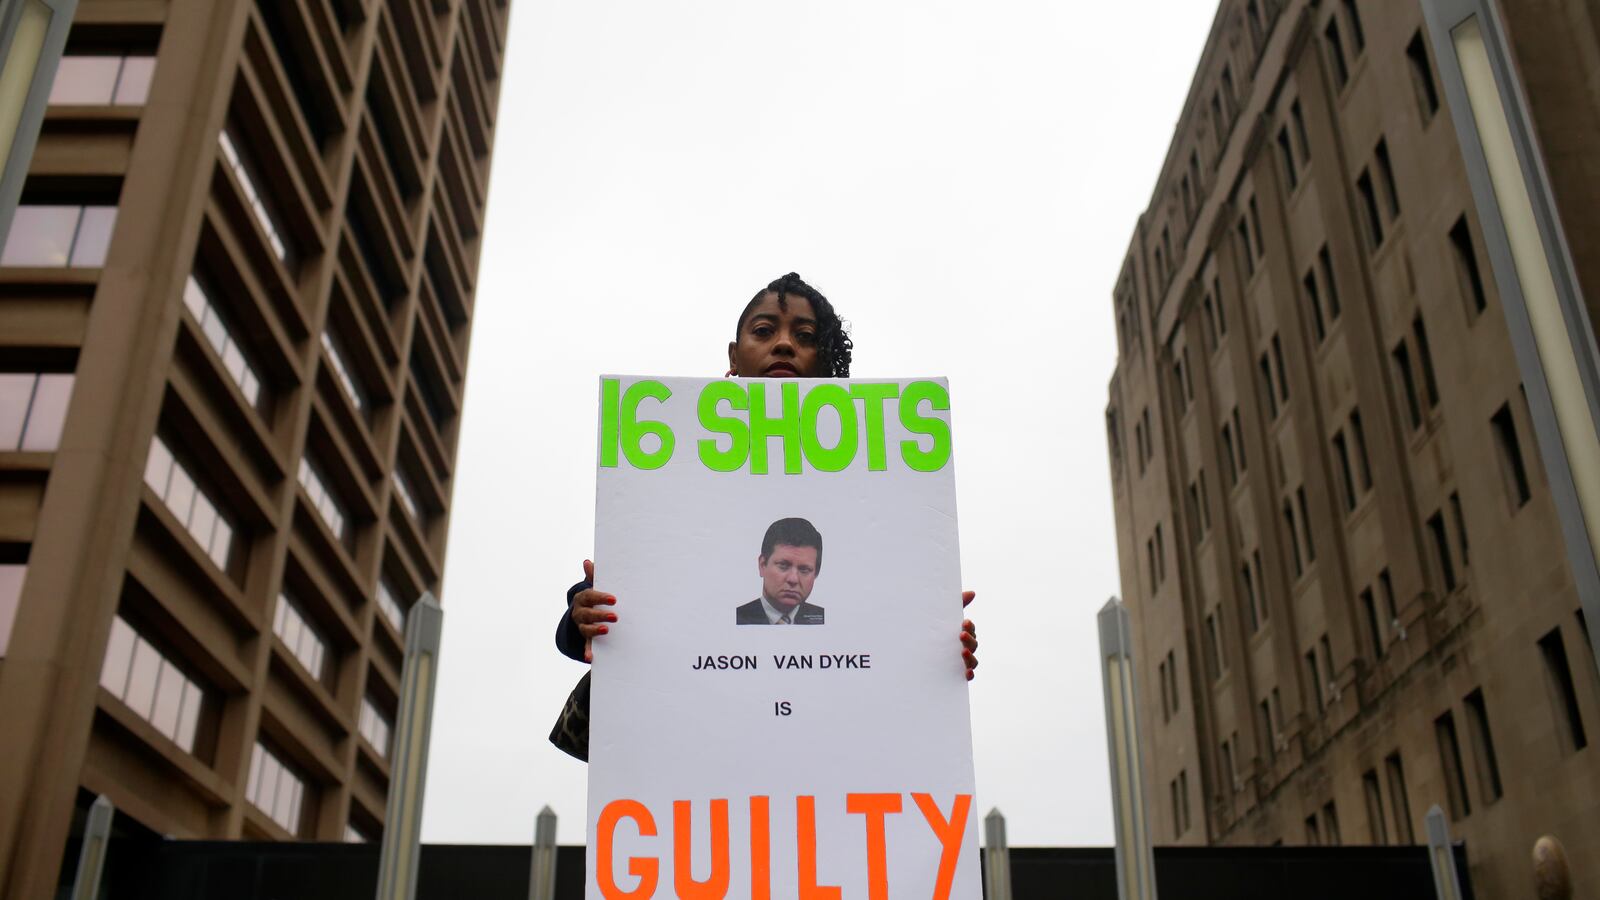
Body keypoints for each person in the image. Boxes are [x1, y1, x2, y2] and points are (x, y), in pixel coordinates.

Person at [556, 273, 979, 676]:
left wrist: (930, 632)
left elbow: (882, 614)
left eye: (806, 337)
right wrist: (586, 612)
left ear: (825, 359)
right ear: (734, 356)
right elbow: (641, 606)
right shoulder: (677, 458)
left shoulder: (879, 477)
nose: (783, 344)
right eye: (763, 331)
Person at [736, 517, 827, 625]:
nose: (793, 579)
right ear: (762, 565)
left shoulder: (825, 619)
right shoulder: (736, 619)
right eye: (783, 565)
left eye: (804, 570)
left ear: (816, 573)